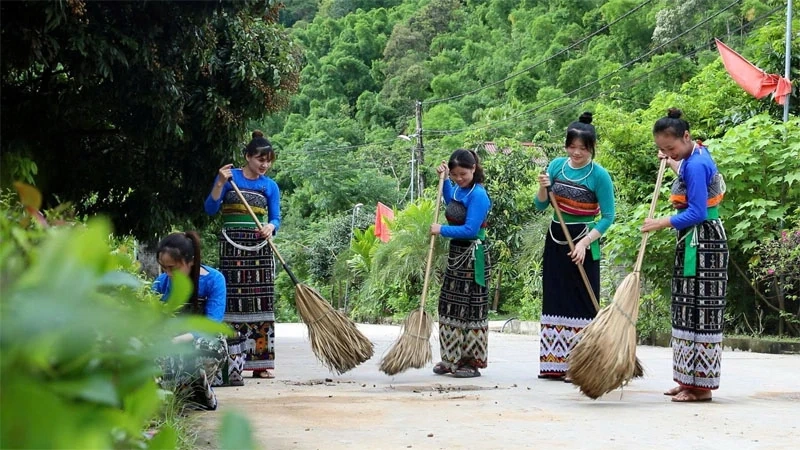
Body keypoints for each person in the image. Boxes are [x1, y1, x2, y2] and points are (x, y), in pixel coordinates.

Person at [642, 108, 728, 403]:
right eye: (663, 150)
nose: (668, 153)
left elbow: (697, 211)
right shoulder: (694, 155)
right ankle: (686, 379)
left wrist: (659, 223)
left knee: (700, 313)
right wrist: (671, 164)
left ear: (686, 137)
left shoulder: (695, 164)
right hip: (696, 240)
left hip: (704, 242)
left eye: (671, 148)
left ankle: (701, 386)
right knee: (686, 309)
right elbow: (692, 184)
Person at [534, 112, 615, 381]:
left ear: (592, 148)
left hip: (584, 239)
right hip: (556, 238)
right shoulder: (557, 166)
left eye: (583, 148)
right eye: (572, 146)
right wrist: (544, 187)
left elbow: (608, 217)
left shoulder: (599, 176)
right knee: (556, 296)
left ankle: (581, 364)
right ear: (566, 145)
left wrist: (584, 243)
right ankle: (554, 363)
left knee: (582, 300)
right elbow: (541, 205)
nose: (577, 152)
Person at [204, 130, 281, 383]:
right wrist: (218, 182)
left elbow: (275, 217)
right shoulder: (230, 178)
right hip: (231, 247)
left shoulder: (270, 186)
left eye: (268, 160)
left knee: (261, 302)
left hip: (259, 250)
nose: (264, 165)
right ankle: (231, 359)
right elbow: (211, 208)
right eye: (260, 159)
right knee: (232, 301)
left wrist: (271, 227)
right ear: (247, 156)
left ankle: (261, 364)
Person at [430, 149, 492, 378]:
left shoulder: (478, 195)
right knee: (449, 306)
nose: (459, 178)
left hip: (473, 256)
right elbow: (451, 203)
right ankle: (450, 358)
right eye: (455, 174)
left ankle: (470, 362)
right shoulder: (458, 189)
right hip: (457, 256)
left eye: (463, 174)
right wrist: (445, 180)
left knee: (470, 310)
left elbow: (470, 229)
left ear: (473, 169)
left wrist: (441, 230)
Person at [152, 231, 227, 411]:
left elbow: (212, 324)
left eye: (173, 268)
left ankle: (193, 387)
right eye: (164, 268)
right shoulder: (161, 283)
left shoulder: (214, 280)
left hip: (198, 344)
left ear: (191, 261)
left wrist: (178, 340)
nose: (168, 273)